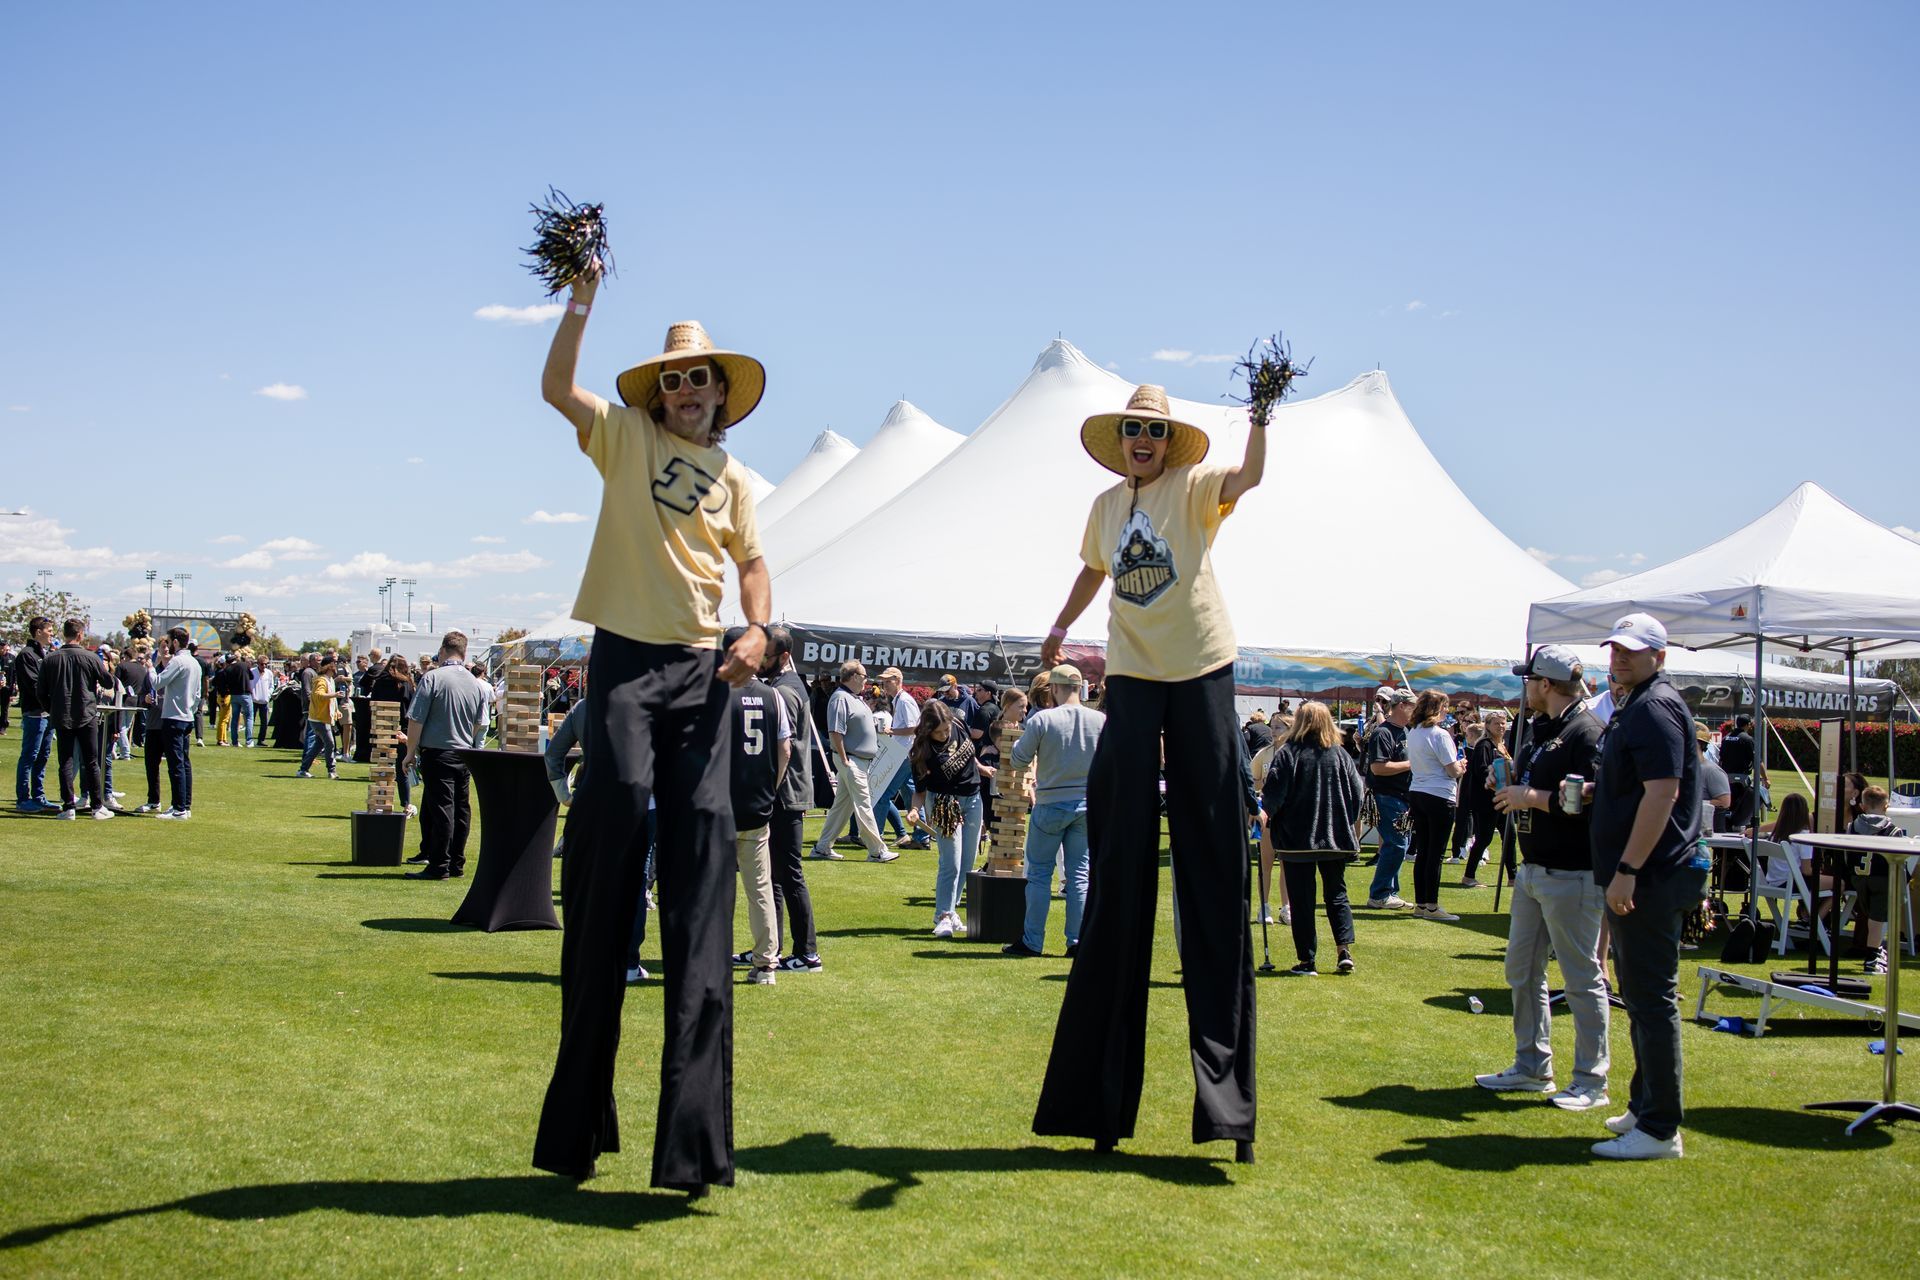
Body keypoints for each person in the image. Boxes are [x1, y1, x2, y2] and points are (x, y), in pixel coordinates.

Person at [531, 263, 772, 1198]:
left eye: (697, 380)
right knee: (614, 824)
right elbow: (555, 389)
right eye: (671, 379)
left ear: (722, 396)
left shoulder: (739, 478)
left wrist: (757, 627)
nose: (682, 391)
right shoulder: (623, 436)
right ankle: (579, 1127)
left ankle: (693, 1148)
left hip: (701, 672)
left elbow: (752, 567)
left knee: (703, 870)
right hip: (625, 663)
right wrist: (581, 298)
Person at [1031, 381, 1266, 1164]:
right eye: (1133, 428)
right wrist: (1061, 624)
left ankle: (1227, 1112)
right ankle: (1096, 1105)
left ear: (1169, 443)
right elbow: (1097, 571)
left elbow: (1248, 480)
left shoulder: (1194, 486)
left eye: (1154, 431)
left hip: (1201, 672)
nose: (1142, 439)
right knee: (1121, 875)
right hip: (1131, 679)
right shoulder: (1106, 506)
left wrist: (1260, 419)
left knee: (1212, 868)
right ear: (1121, 438)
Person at [1586, 613, 1707, 1161]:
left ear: (1660, 656)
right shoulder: (1641, 702)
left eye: (1632, 651)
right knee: (1638, 997)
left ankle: (1660, 1129)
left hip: (1650, 875)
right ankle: (1645, 1105)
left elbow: (1662, 794)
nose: (1619, 658)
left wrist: (1628, 869)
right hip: (1645, 872)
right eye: (1614, 649)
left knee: (1651, 1001)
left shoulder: (1654, 705)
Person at [1479, 645, 1610, 1110]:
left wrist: (1529, 795)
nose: (1524, 687)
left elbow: (1589, 798)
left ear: (1546, 684)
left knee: (1580, 979)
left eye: (1528, 680)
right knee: (1521, 970)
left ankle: (1592, 1081)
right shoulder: (1541, 728)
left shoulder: (1586, 731)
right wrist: (1510, 783)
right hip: (1535, 868)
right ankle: (1532, 1066)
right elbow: (1540, 783)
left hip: (1573, 871)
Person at [1003, 663, 1104, 958]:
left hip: (1049, 803)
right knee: (1079, 877)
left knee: (1039, 876)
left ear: (1055, 689)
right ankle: (1076, 942)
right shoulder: (1100, 720)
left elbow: (1019, 760)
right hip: (1086, 805)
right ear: (1080, 688)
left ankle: (1033, 941)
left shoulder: (1043, 720)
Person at [1261, 700, 1364, 975]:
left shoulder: (1289, 753)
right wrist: (1345, 818)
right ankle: (1344, 950)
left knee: (1302, 899)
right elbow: (1357, 793)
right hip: (1335, 838)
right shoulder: (1340, 755)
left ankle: (1308, 960)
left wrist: (1266, 816)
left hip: (1297, 840)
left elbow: (1274, 794)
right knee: (1337, 895)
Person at [724, 637, 791, 986]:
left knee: (715, 889)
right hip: (757, 805)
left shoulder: (716, 692)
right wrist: (771, 787)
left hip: (719, 806)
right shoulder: (772, 695)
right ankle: (767, 963)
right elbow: (785, 750)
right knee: (760, 888)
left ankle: (710, 959)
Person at [402, 631, 489, 880]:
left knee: (442, 809)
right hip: (465, 752)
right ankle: (456, 864)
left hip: (438, 752)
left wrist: (410, 751)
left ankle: (439, 864)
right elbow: (479, 723)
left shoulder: (433, 678)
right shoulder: (476, 684)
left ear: (442, 651)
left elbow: (416, 719)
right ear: (464, 652)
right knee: (462, 809)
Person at [762, 626, 821, 973]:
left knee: (789, 874)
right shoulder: (787, 685)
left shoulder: (785, 691)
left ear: (784, 656)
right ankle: (773, 947)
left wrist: (768, 790)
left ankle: (807, 952)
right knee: (775, 877)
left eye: (766, 655)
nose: (760, 661)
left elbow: (781, 749)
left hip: (785, 795)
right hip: (787, 792)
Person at [905, 700, 986, 939]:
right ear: (927, 730)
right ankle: (943, 915)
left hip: (973, 798)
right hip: (944, 803)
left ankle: (952, 911)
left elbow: (969, 755)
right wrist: (913, 810)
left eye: (946, 730)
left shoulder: (958, 725)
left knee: (967, 860)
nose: (944, 734)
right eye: (938, 732)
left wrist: (982, 769)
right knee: (951, 860)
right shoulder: (921, 752)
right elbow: (920, 791)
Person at [809, 660, 896, 863]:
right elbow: (835, 731)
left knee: (841, 808)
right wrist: (844, 758)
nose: (866, 680)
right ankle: (877, 850)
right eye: (864, 676)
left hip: (858, 760)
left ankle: (822, 848)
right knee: (864, 804)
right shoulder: (840, 698)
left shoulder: (853, 698)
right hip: (851, 759)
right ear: (854, 676)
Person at [39, 619, 114, 819]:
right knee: (91, 761)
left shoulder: (50, 659)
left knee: (66, 761)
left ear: (65, 634)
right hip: (86, 713)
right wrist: (108, 667)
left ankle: (68, 806)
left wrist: (52, 708)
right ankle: (97, 806)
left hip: (62, 714)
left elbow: (41, 691)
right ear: (80, 635)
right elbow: (108, 682)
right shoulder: (90, 657)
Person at [1404, 690, 1466, 921]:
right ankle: (1431, 906)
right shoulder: (1440, 735)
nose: (1447, 710)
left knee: (1423, 852)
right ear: (1436, 708)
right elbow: (1452, 770)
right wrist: (1460, 766)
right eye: (1445, 706)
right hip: (1439, 794)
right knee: (1435, 853)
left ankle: (1421, 904)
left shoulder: (1414, 733)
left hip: (1418, 792)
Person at [1363, 688, 1417, 908]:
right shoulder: (1383, 733)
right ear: (1402, 705)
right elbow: (1378, 767)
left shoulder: (1406, 731)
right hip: (1386, 796)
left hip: (1401, 796)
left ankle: (1389, 892)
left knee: (1398, 844)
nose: (1417, 711)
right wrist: (1412, 764)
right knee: (1397, 844)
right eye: (1414, 706)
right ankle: (1379, 894)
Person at [146, 627, 200, 819]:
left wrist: (151, 666)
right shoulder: (194, 662)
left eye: (169, 642)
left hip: (174, 717)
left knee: (176, 764)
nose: (167, 645)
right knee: (184, 763)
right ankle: (184, 804)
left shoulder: (178, 661)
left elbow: (157, 682)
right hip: (186, 716)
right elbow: (198, 694)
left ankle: (179, 809)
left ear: (176, 642)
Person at [1849, 786, 1901, 975]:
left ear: (1862, 806)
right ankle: (1872, 957)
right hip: (1881, 878)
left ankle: (1876, 950)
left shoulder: (1852, 826)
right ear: (1886, 806)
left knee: (1871, 917)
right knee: (1877, 920)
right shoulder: (1892, 830)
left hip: (1859, 878)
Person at [871, 667, 924, 848]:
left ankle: (876, 837)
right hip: (905, 753)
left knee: (883, 794)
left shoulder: (905, 701)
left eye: (888, 681)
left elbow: (913, 728)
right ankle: (921, 837)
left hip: (905, 754)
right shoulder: (900, 700)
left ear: (898, 681)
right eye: (884, 681)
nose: (885, 684)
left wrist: (891, 730)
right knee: (909, 794)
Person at [1461, 709, 1510, 888]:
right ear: (1487, 725)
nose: (1501, 726)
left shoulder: (1502, 745)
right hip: (1486, 801)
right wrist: (1496, 780)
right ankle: (1468, 876)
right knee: (1484, 838)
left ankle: (1513, 877)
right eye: (1497, 723)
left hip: (1503, 798)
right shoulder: (1485, 745)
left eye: (1503, 722)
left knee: (1509, 836)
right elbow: (1481, 770)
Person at [11, 616, 55, 811]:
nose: (52, 634)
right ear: (39, 632)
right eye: (49, 630)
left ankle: (38, 796)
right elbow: (34, 686)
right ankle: (23, 799)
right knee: (29, 756)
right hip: (35, 714)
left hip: (47, 715)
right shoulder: (27, 655)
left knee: (43, 756)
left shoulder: (43, 654)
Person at [369, 654, 417, 816]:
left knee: (383, 767)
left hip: (383, 728)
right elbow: (412, 708)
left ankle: (380, 803)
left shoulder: (380, 682)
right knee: (402, 768)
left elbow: (373, 704)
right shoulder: (406, 683)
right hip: (402, 730)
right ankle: (406, 805)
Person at [296, 656, 342, 780]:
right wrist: (335, 695)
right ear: (330, 668)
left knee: (318, 745)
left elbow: (331, 700)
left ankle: (303, 769)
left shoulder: (330, 680)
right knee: (330, 743)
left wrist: (336, 710)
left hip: (323, 718)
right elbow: (318, 695)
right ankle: (331, 771)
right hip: (318, 718)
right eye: (334, 667)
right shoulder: (321, 680)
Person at [249, 656, 278, 748]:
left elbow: (271, 685)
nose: (264, 666)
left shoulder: (269, 673)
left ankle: (261, 740)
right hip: (253, 700)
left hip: (264, 701)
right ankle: (249, 739)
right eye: (262, 664)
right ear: (258, 663)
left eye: (266, 664)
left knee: (264, 722)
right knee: (251, 721)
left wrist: (268, 695)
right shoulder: (252, 671)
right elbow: (249, 684)